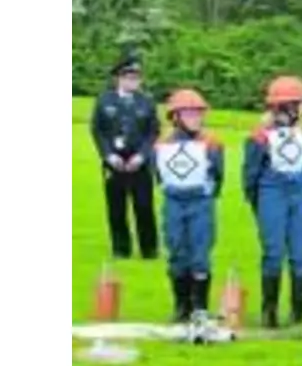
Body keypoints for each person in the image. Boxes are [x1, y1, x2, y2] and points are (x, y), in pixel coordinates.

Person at [243, 75, 302, 329]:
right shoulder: (259, 137)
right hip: (272, 193)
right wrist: (258, 204)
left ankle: (298, 312)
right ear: (287, 106)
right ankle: (270, 311)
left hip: (300, 194)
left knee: (300, 255)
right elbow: (251, 175)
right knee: (273, 253)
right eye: (300, 104)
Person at [153, 89, 223, 322]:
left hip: (200, 202)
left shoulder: (212, 143)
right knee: (177, 253)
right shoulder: (161, 145)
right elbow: (159, 175)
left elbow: (218, 174)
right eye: (189, 114)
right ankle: (181, 306)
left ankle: (200, 307)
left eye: (198, 114)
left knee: (200, 255)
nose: (196, 118)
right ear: (176, 117)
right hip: (173, 202)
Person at [91, 52, 160, 260]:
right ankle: (121, 249)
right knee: (116, 208)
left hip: (139, 162)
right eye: (129, 77)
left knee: (144, 207)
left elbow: (153, 131)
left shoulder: (146, 102)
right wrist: (108, 155)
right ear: (119, 78)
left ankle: (149, 249)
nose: (134, 81)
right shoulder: (105, 100)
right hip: (115, 162)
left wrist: (142, 155)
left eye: (137, 77)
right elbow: (98, 130)